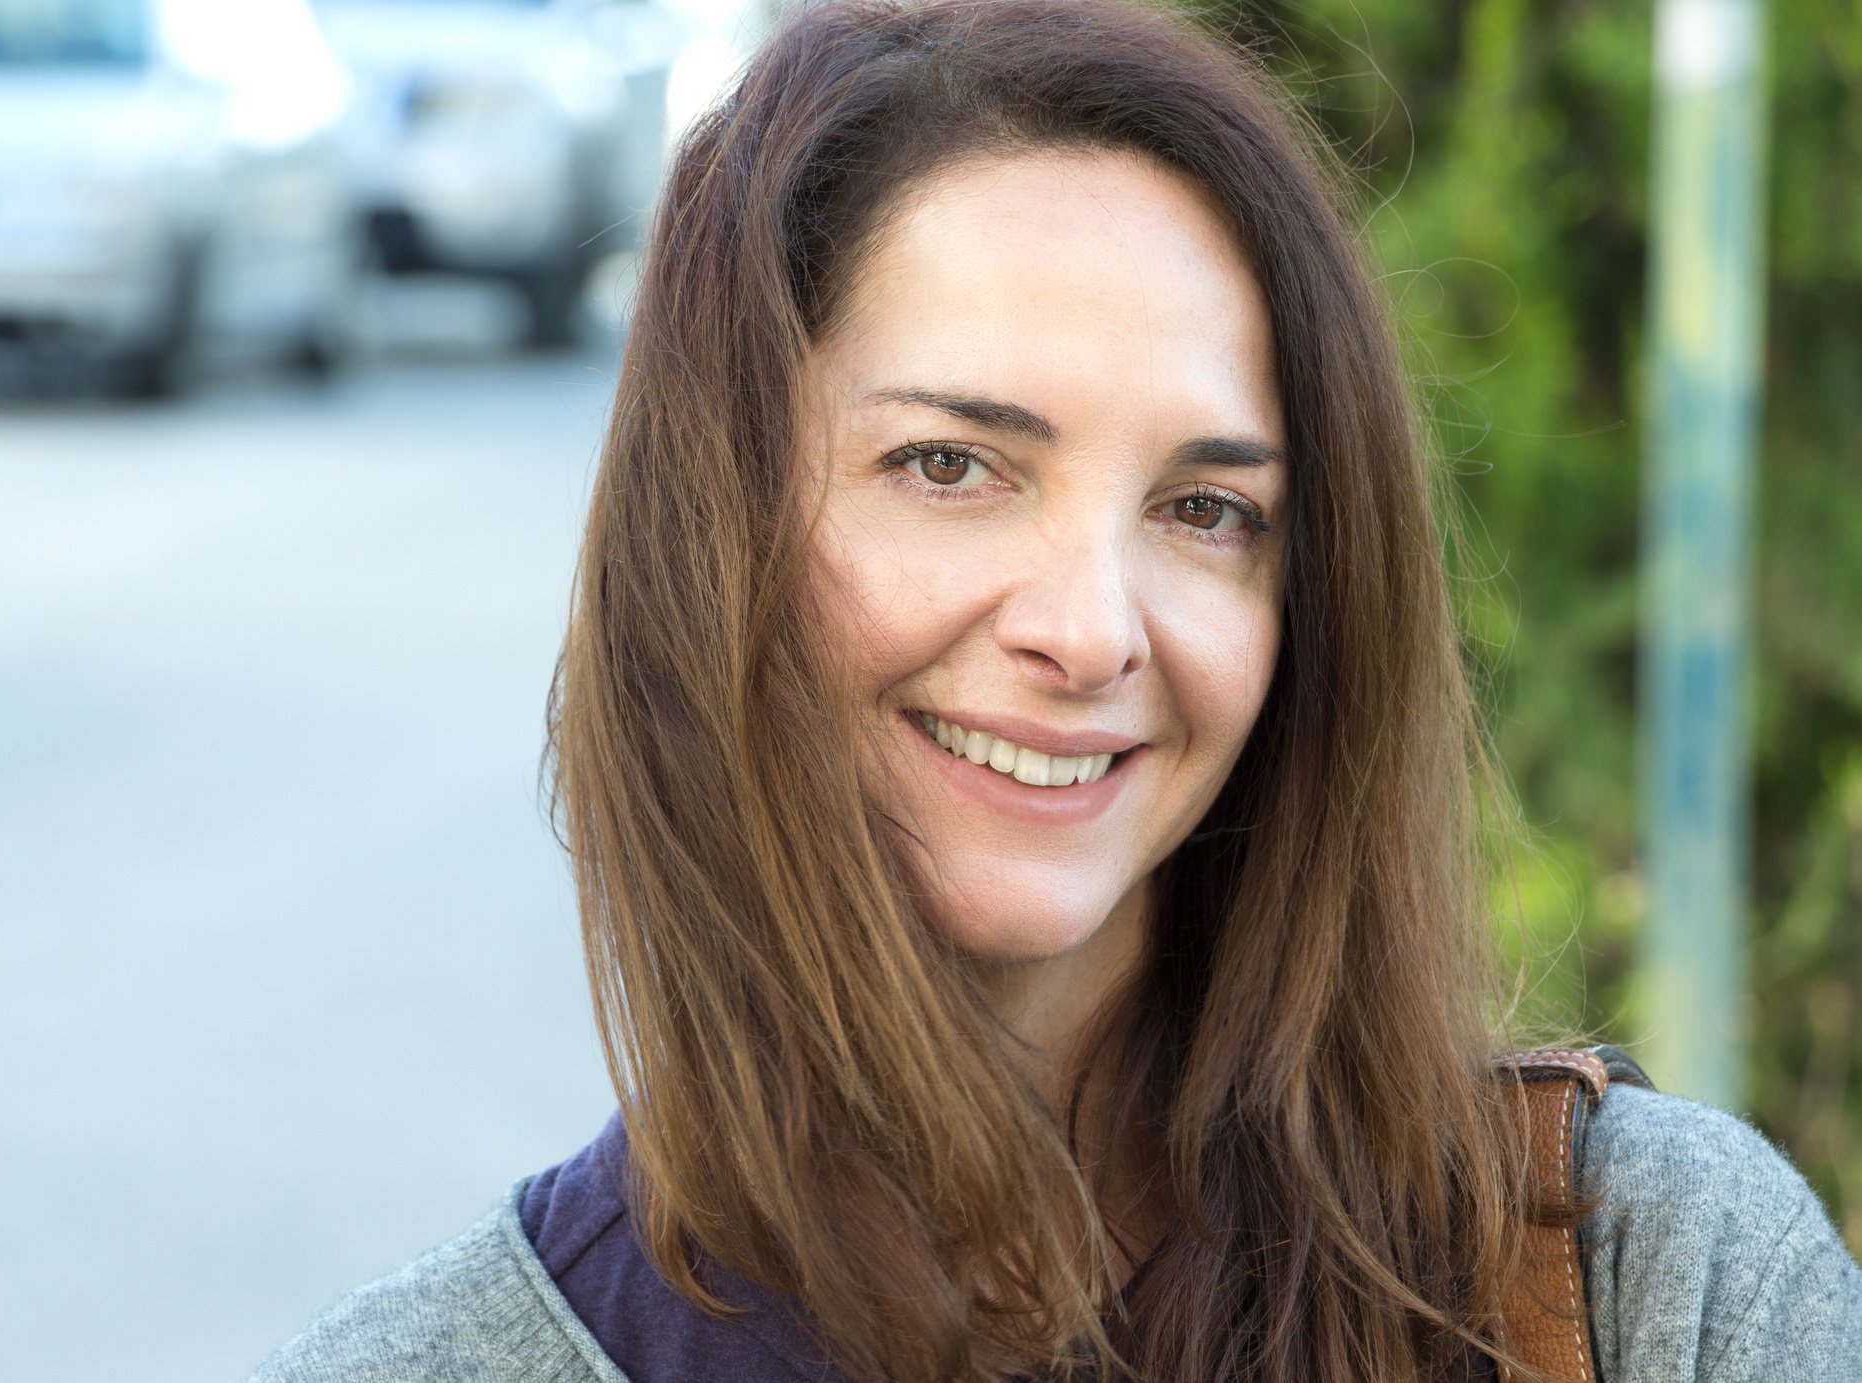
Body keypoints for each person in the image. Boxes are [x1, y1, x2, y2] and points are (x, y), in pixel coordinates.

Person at [250, 2, 1862, 1379]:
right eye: (949, 465)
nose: (1091, 631)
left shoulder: (1648, 1287)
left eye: (1204, 509)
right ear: (710, 530)